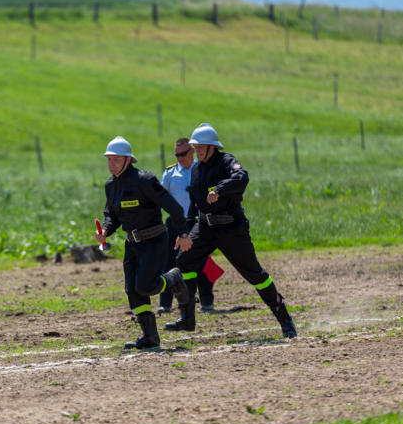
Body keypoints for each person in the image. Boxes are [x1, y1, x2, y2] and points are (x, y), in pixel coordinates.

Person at [165, 124, 297, 339]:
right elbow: (193, 204)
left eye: (200, 147)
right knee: (184, 260)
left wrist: (219, 189)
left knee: (255, 274)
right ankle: (187, 317)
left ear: (212, 146)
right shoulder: (196, 169)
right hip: (205, 226)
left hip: (231, 227)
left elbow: (242, 177)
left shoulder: (226, 161)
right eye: (194, 147)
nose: (196, 151)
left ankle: (284, 318)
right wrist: (185, 232)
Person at [96, 136, 194, 350]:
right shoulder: (110, 185)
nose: (110, 164)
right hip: (132, 244)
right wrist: (105, 230)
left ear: (128, 160)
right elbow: (111, 215)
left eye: (115, 159)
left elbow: (174, 208)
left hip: (154, 240)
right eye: (108, 159)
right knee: (132, 289)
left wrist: (183, 233)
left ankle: (173, 279)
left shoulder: (144, 180)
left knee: (145, 286)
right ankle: (150, 336)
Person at [159, 138, 216, 313]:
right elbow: (160, 198)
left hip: (198, 223)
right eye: (177, 155)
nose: (180, 158)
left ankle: (206, 301)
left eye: (183, 154)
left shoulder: (202, 170)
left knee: (202, 261)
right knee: (169, 262)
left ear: (192, 151)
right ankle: (165, 303)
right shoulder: (169, 173)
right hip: (176, 224)